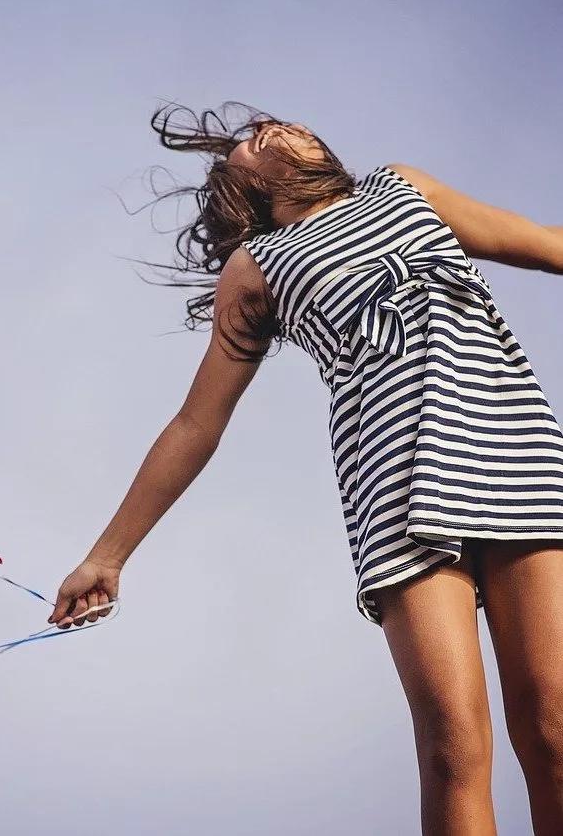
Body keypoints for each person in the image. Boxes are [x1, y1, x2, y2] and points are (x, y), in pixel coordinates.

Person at [47, 101, 563, 834]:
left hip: (515, 450)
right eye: (250, 140)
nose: (269, 129)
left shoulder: (401, 188)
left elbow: (545, 243)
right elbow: (196, 423)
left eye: (271, 122)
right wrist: (107, 556)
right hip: (395, 487)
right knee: (453, 746)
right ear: (242, 185)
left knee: (553, 730)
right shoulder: (258, 266)